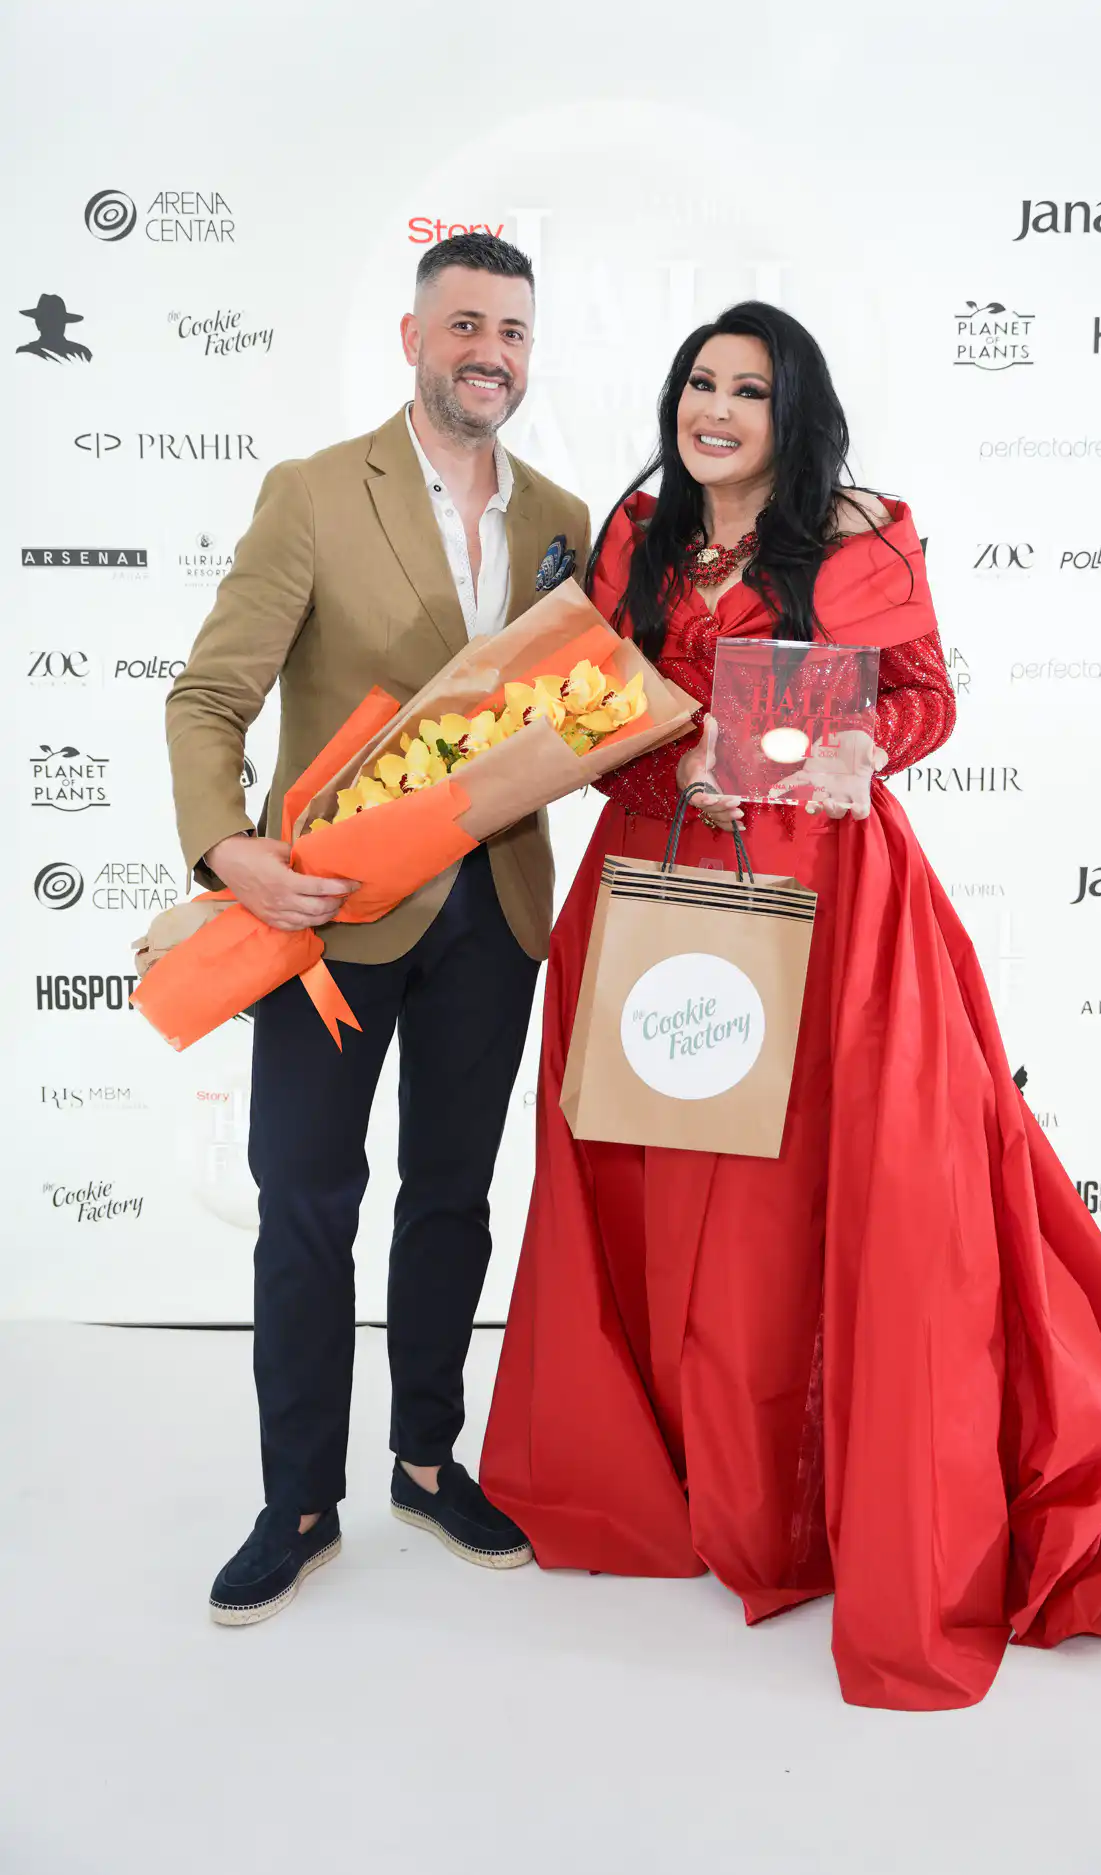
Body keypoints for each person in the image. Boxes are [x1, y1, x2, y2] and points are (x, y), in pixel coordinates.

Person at [480, 301, 1101, 1709]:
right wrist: (655, 758)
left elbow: (926, 700)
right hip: (652, 883)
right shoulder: (633, 534)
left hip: (827, 895)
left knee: (808, 1189)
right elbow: (581, 730)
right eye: (698, 384)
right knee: (652, 1169)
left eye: (747, 390)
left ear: (795, 412)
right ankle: (676, 1481)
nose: (714, 410)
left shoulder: (860, 536)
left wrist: (859, 746)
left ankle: (814, 1494)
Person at [166, 232, 590, 1625]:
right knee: (305, 1205)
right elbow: (208, 697)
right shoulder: (312, 494)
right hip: (326, 918)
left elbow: (581, 712)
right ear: (413, 338)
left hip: (496, 912)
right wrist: (229, 849)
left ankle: (424, 1460)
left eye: (512, 331)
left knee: (452, 1199)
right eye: (464, 324)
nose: (490, 353)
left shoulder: (565, 518)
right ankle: (297, 1503)